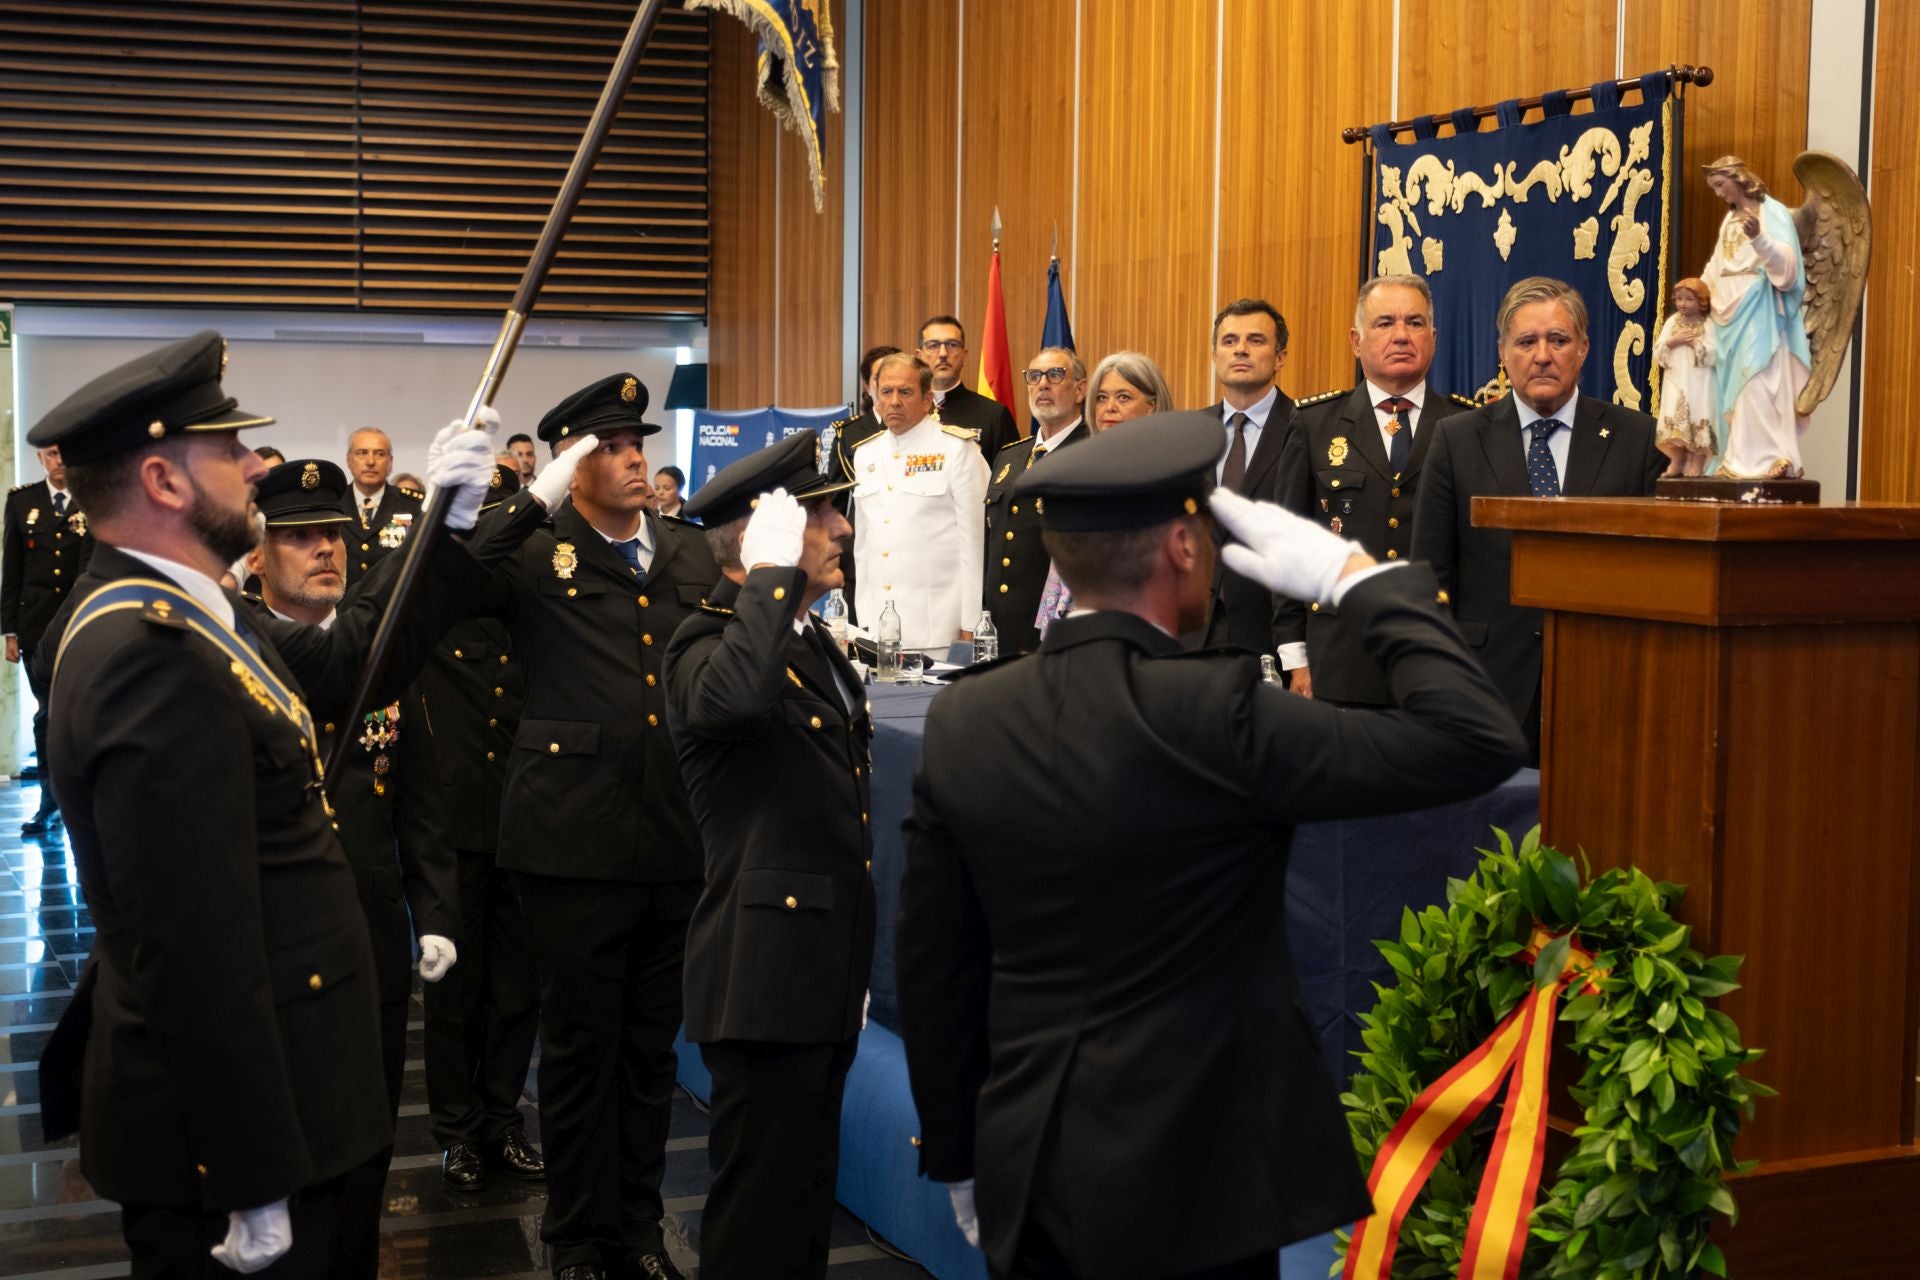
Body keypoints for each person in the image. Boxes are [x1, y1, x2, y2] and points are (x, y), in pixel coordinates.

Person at [895, 411, 1528, 1280]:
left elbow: (938, 966)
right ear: (1187, 550)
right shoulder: (1223, 714)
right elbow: (1475, 739)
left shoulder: (964, 719)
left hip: (1034, 1158)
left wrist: (959, 1152)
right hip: (1207, 1179)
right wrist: (1362, 583)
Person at [29, 329, 502, 1278]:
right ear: (163, 481)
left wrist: (447, 529)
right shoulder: (147, 653)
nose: (255, 465)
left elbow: (349, 665)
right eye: (230, 449)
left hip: (292, 1084)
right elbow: (194, 944)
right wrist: (249, 1169)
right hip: (232, 1141)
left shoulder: (200, 605)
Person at [466, 371, 718, 1280]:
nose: (631, 459)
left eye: (635, 443)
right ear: (572, 464)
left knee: (651, 1053)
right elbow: (451, 583)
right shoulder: (535, 553)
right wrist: (523, 501)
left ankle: (639, 1228)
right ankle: (575, 1236)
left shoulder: (686, 553)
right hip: (570, 843)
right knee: (577, 1054)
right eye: (607, 447)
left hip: (672, 838)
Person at [241, 457, 463, 1271]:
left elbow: (422, 801)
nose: (322, 551)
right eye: (298, 537)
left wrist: (434, 911)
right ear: (258, 554)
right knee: (292, 1142)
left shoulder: (383, 659)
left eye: (331, 534)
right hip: (277, 948)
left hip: (370, 944)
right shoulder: (240, 653)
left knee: (367, 1140)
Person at [662, 431, 869, 1280]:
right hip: (762, 974)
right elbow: (733, 707)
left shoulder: (807, 639)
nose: (842, 529)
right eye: (820, 514)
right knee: (757, 1219)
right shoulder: (701, 646)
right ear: (764, 537)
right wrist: (774, 581)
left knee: (803, 1204)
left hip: (817, 964)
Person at [1412, 276, 1665, 759]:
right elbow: (1429, 578)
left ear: (1585, 348)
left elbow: (1655, 578)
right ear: (1503, 351)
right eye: (1526, 341)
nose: (1542, 355)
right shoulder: (1456, 440)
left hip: (1606, 686)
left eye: (1559, 340)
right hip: (1486, 689)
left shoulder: (1637, 441)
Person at [420, 464, 547, 1194]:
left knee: (515, 988)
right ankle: (458, 1132)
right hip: (454, 827)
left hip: (524, 824)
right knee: (453, 994)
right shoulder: (435, 609)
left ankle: (503, 1118)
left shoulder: (531, 612)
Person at [1275, 274, 1474, 705]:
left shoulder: (1467, 427)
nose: (1401, 335)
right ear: (1356, 340)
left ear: (1434, 338)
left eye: (1415, 323)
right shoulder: (1313, 424)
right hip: (1338, 660)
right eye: (1385, 323)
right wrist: (1296, 661)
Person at [849, 353, 988, 653]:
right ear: (875, 397)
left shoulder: (957, 449)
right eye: (886, 392)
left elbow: (975, 544)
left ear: (927, 400)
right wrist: (864, 618)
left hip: (938, 630)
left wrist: (971, 621)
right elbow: (863, 547)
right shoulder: (865, 455)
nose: (894, 401)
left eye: (905, 392)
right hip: (878, 630)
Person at [1033, 351, 1173, 637]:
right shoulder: (1079, 474)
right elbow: (1059, 571)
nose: (1109, 407)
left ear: (1152, 406)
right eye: (1101, 397)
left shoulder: (1169, 475)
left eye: (1123, 397)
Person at [1698, 156, 1811, 480]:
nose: (1719, 193)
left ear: (1738, 178)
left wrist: (1760, 238)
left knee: (1758, 381)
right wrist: (1699, 290)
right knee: (1729, 387)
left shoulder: (1770, 211)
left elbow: (1788, 269)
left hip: (1758, 305)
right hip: (1725, 310)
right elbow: (1717, 264)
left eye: (1721, 185)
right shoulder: (1730, 220)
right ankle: (1736, 458)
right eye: (1715, 188)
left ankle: (1771, 456)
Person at [3, 442, 93, 834]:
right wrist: (9, 630)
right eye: (51, 454)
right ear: (40, 457)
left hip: (81, 624)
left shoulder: (92, 498)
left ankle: (86, 800)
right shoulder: (23, 501)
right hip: (37, 628)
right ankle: (49, 802)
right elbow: (12, 565)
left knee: (83, 714)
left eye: (65, 453)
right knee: (46, 715)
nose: (59, 462)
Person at [1202, 298, 1293, 653]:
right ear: (1214, 356)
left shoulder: (1308, 429)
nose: (1240, 350)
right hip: (1194, 635)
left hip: (1270, 633)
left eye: (1255, 340)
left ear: (1280, 357)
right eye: (1229, 341)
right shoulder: (1189, 433)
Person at [982, 348, 1089, 654]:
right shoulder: (1009, 456)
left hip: (1057, 630)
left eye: (1056, 375)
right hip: (999, 630)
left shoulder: (1093, 452)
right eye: (1034, 376)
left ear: (1080, 389)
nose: (1043, 384)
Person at [826, 343, 900, 624]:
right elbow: (834, 500)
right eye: (881, 378)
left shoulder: (927, 429)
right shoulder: (849, 433)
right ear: (868, 386)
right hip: (860, 559)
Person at [918, 315, 1020, 461]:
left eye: (952, 344)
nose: (943, 354)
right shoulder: (904, 412)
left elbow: (1009, 476)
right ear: (919, 355)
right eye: (933, 345)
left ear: (964, 354)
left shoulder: (994, 415)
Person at [339, 426, 425, 586]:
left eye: (379, 454)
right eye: (362, 453)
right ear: (349, 460)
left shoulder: (412, 506)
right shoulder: (333, 504)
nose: (370, 462)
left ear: (390, 463)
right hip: (342, 607)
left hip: (392, 605)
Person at [1655, 278, 1718, 477]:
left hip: (1699, 381)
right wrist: (1674, 341)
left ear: (1701, 301)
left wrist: (1695, 345)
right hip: (1676, 380)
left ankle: (1696, 464)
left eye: (1689, 299)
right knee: (1675, 418)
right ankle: (1677, 460)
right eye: (1679, 299)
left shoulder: (1708, 324)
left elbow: (1715, 353)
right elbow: (1658, 351)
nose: (1682, 304)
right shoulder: (1673, 322)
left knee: (1698, 417)